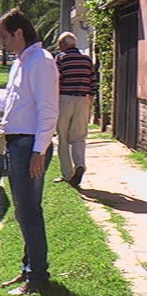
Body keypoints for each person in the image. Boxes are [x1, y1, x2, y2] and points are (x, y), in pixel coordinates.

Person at [0, 8, 59, 295]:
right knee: (25, 211)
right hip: (18, 144)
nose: (3, 43)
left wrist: (39, 151)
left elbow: (48, 110)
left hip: (28, 145)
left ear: (19, 33)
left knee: (29, 212)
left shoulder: (41, 62)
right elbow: (11, 101)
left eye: (5, 37)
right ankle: (29, 269)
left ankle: (37, 276)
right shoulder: (22, 63)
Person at [53, 32, 98, 187]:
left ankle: (67, 173)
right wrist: (89, 103)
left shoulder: (60, 58)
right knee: (79, 137)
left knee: (63, 137)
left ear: (63, 45)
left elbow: (56, 81)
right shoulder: (87, 60)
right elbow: (93, 83)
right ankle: (79, 164)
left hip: (64, 99)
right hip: (83, 99)